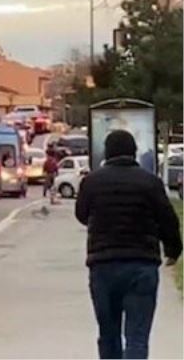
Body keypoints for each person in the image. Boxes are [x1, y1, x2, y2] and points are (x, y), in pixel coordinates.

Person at [75, 130, 182, 359]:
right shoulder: (150, 182)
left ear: (107, 153)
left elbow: (81, 214)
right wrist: (173, 250)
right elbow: (168, 219)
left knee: (108, 333)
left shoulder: (91, 182)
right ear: (134, 152)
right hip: (141, 265)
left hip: (103, 265)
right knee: (137, 336)